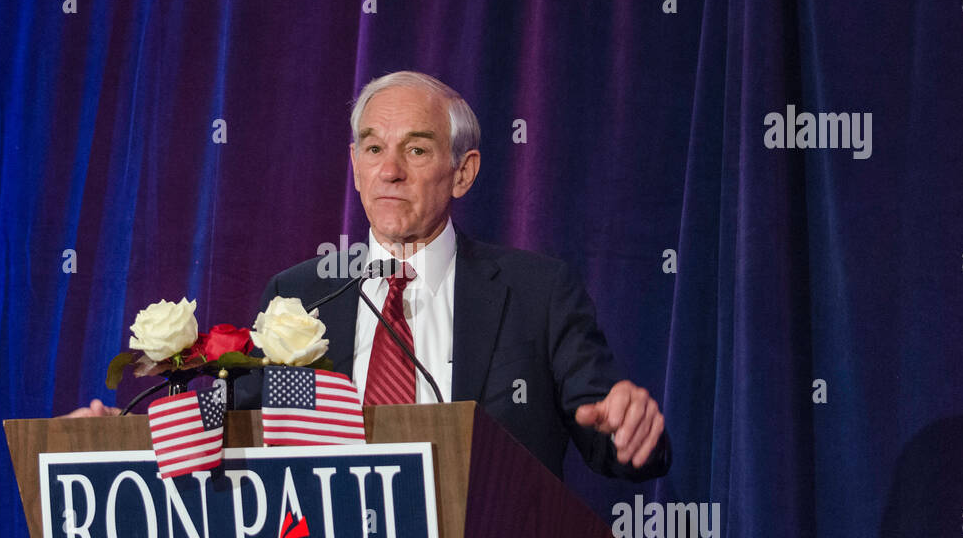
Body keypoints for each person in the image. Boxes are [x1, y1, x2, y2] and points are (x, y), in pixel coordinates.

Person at [70, 71, 669, 481]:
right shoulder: (299, 295)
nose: (390, 171)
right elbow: (236, 432)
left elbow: (617, 441)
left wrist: (627, 422)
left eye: (416, 150)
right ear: (354, 167)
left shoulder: (538, 294)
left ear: (463, 173)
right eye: (373, 148)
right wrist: (124, 440)